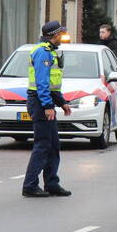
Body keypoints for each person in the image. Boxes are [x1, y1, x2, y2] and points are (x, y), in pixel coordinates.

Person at [22, 21, 73, 198]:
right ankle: (30, 186)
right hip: (39, 102)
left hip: (45, 100)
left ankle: (51, 183)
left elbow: (52, 85)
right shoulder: (43, 52)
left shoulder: (50, 51)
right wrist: (48, 106)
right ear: (55, 35)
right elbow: (41, 83)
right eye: (61, 34)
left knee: (53, 145)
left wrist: (61, 102)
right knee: (43, 145)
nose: (62, 37)